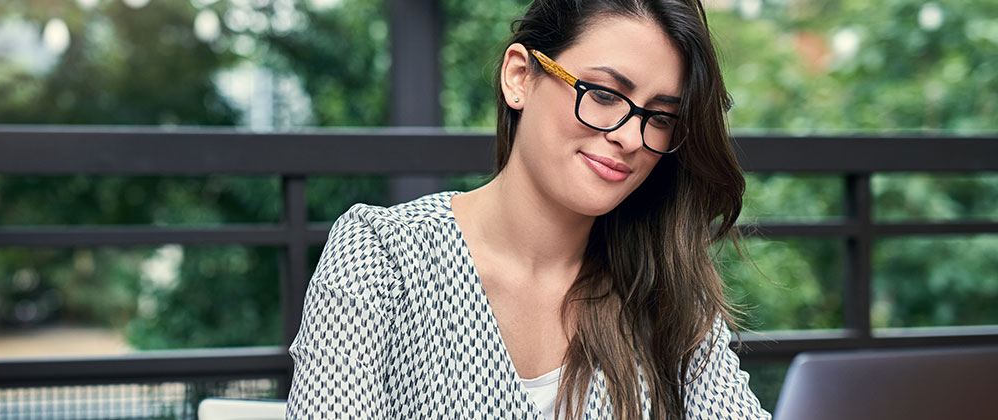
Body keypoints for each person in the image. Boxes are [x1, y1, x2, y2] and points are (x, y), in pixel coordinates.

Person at [286, 0, 771, 418]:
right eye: (603, 94)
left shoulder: (664, 288)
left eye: (660, 117)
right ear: (520, 76)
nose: (628, 137)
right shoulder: (382, 256)